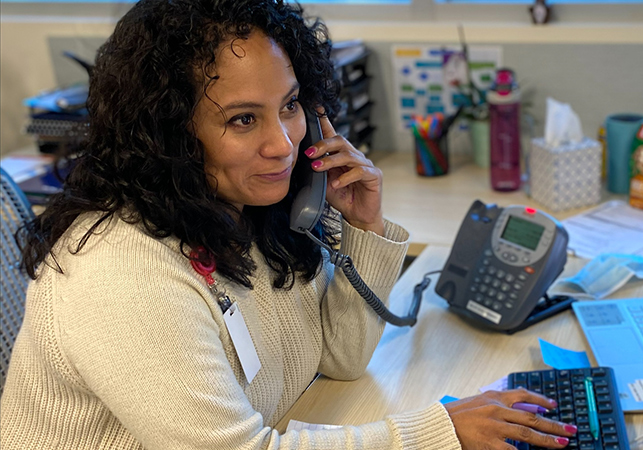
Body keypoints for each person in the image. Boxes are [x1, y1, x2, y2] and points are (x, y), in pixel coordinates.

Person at [0, 1, 578, 449]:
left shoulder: (255, 211)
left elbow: (341, 359)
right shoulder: (122, 270)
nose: (283, 143)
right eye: (243, 119)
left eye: (291, 104)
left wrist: (364, 227)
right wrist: (439, 433)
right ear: (168, 133)